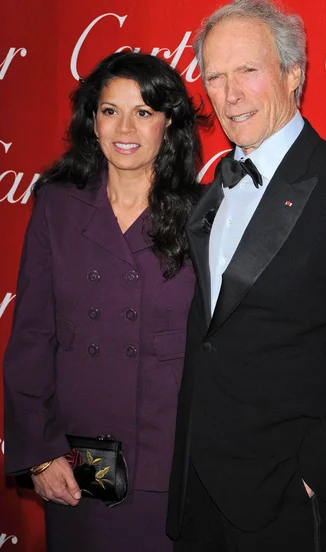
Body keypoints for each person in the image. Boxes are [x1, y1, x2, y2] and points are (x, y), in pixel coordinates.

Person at [166, 0, 326, 552]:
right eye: (215, 76)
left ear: (294, 74)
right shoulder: (213, 188)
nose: (229, 94)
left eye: (248, 70)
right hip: (199, 497)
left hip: (286, 508)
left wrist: (316, 476)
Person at [3, 50, 202, 552]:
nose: (125, 127)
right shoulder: (56, 205)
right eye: (110, 110)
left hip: (169, 461)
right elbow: (30, 338)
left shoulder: (205, 214)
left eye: (144, 111)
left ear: (169, 122)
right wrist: (42, 456)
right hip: (78, 462)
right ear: (92, 121)